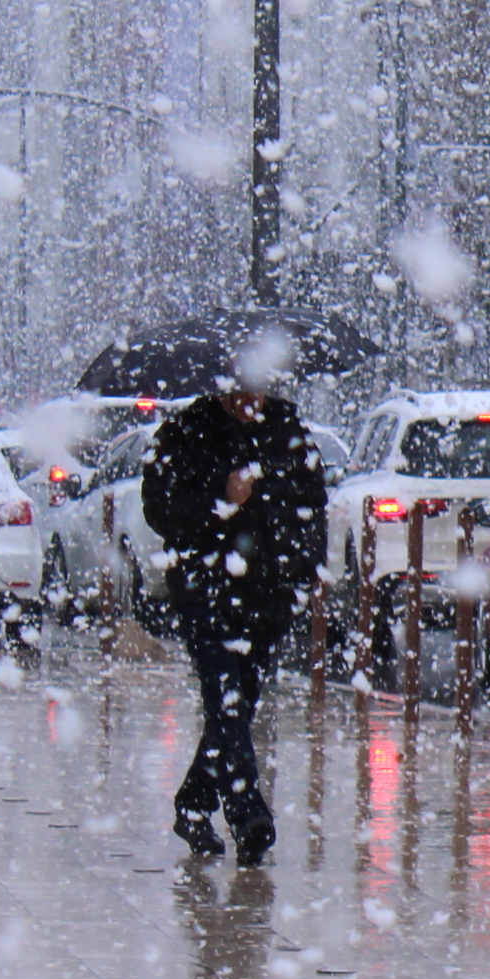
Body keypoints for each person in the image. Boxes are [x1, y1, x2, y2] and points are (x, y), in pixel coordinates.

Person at [140, 335, 330, 864]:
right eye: (245, 391)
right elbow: (162, 511)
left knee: (238, 707)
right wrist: (221, 498)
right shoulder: (185, 434)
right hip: (207, 592)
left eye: (262, 389)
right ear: (224, 389)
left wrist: (304, 575)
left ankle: (194, 803)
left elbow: (312, 507)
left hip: (269, 598)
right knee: (223, 699)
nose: (255, 401)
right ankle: (249, 815)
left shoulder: (288, 432)